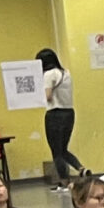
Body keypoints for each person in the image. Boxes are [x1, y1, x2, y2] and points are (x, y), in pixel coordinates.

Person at [37, 48, 77, 183]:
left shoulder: (48, 75)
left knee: (56, 151)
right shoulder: (66, 73)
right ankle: (81, 168)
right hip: (69, 113)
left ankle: (64, 182)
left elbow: (48, 96)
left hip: (55, 114)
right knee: (63, 149)